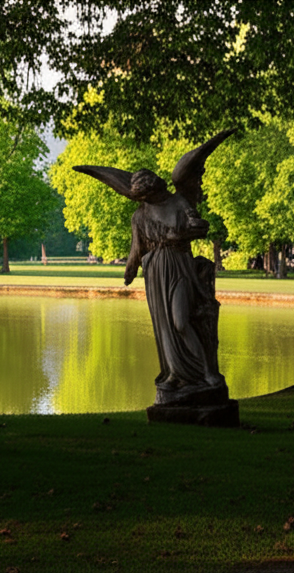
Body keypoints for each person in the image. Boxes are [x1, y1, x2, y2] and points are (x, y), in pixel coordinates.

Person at [73, 130, 234, 405]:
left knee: (181, 321)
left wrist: (185, 232)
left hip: (179, 267)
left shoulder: (179, 201)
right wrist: (129, 270)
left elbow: (199, 227)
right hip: (156, 272)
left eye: (150, 189)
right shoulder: (140, 216)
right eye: (143, 194)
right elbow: (137, 248)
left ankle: (207, 373)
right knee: (164, 328)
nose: (148, 195)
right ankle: (174, 374)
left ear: (156, 186)